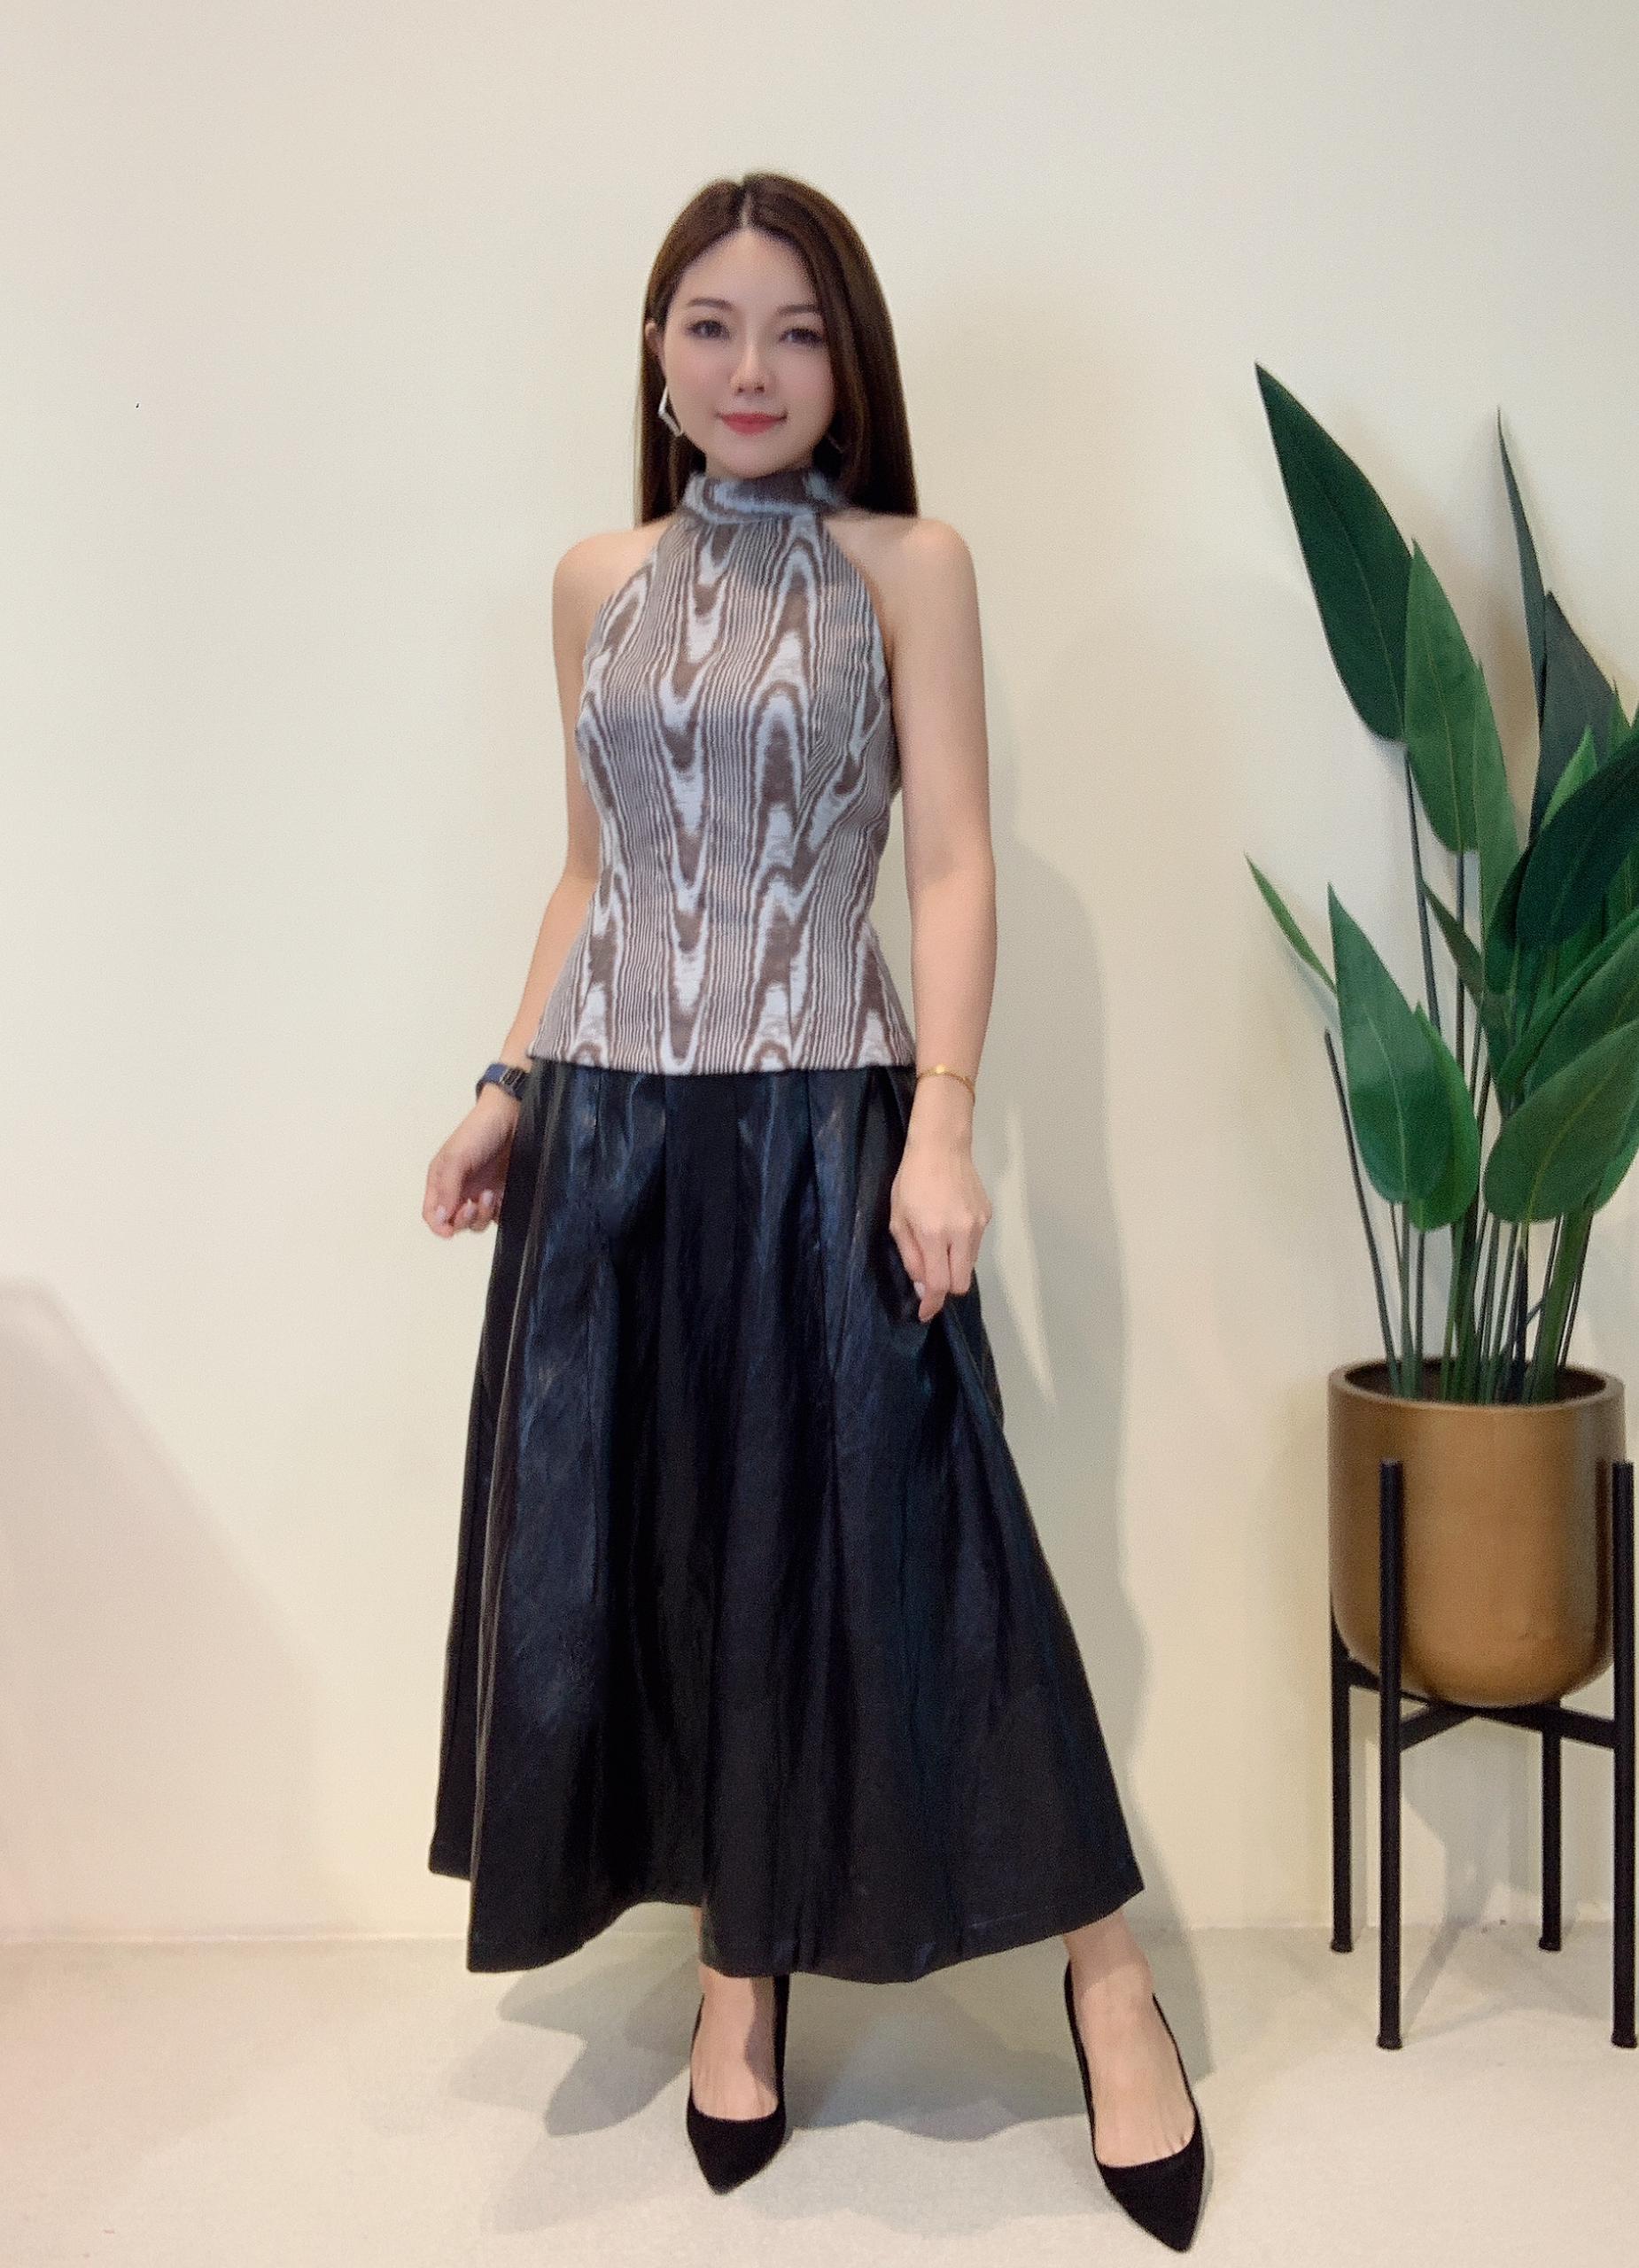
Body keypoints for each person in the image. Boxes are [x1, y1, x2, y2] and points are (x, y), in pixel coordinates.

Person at [422, 172, 1207, 2249]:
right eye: (710, 324)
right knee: (675, 1539)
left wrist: (938, 1124)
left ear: (846, 359)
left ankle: (1106, 1977)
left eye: (792, 327)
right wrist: (507, 1082)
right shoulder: (595, 578)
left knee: (931, 1528)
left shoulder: (908, 568)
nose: (750, 366)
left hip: (822, 1118)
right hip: (612, 1140)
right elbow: (589, 875)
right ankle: (735, 1967)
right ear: (656, 358)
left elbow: (950, 863)